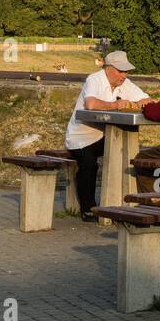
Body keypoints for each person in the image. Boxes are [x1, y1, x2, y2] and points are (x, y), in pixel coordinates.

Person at [64, 50, 148, 221]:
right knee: (89, 164)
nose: (124, 75)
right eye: (120, 71)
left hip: (106, 136)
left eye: (126, 71)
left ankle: (125, 203)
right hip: (82, 137)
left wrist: (134, 103)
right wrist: (115, 105)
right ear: (108, 68)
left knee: (129, 154)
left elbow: (148, 101)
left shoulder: (125, 83)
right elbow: (91, 104)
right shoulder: (94, 79)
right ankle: (88, 208)